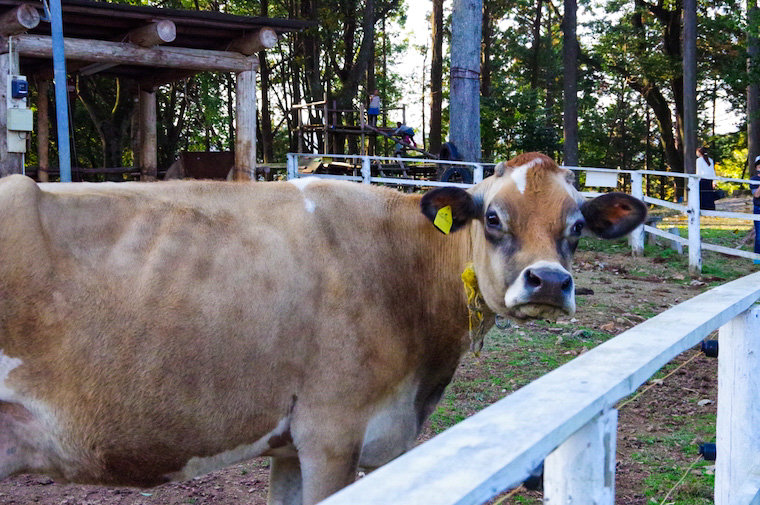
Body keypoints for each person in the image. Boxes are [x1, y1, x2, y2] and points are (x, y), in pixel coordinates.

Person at [696, 146, 716, 211]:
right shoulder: (710, 160)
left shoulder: (699, 160)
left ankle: (703, 207)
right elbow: (712, 171)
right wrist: (714, 181)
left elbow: (698, 171)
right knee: (709, 195)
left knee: (703, 195)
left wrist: (697, 180)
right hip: (709, 179)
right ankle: (710, 207)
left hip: (703, 179)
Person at [751, 155, 760, 264]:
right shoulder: (754, 179)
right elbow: (756, 195)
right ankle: (757, 258)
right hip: (758, 208)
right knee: (759, 235)